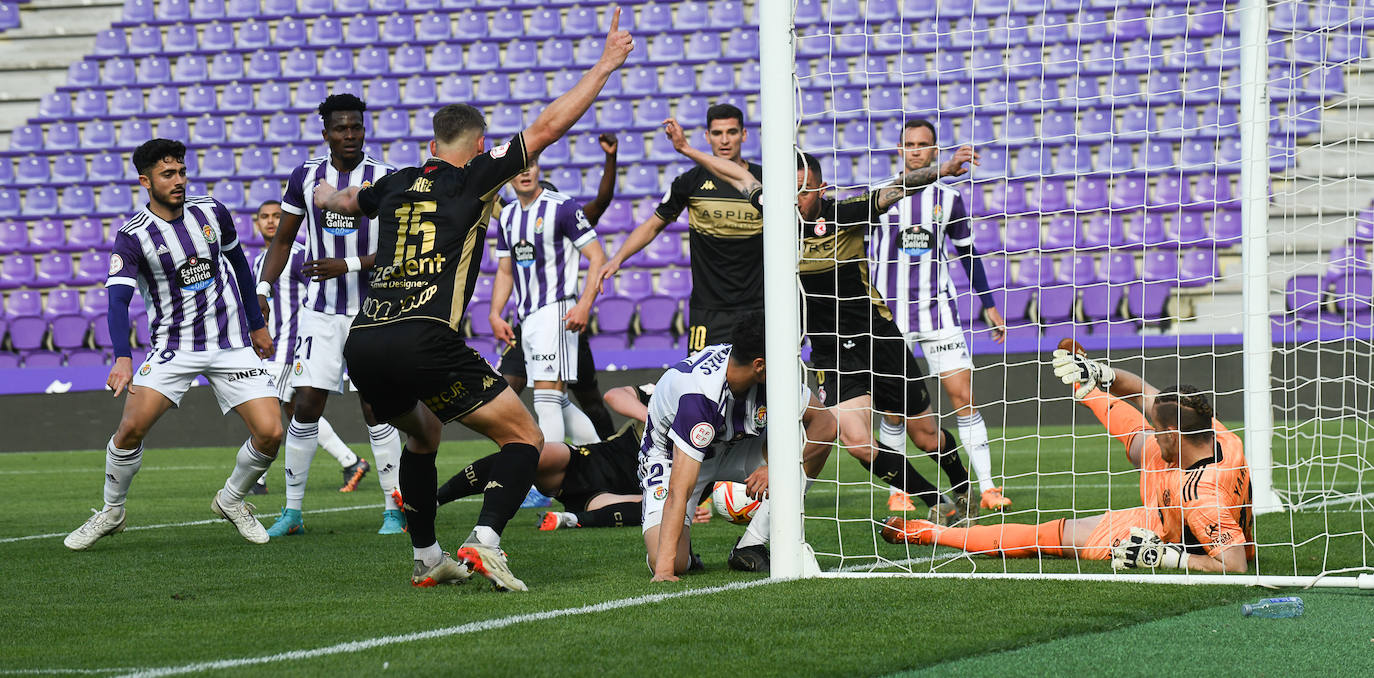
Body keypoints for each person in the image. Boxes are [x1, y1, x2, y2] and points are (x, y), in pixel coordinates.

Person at [312, 12, 634, 590]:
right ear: (480, 145)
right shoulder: (477, 176)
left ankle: (427, 555)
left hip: (365, 341)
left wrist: (320, 193)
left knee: (423, 436)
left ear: (430, 145)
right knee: (525, 438)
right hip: (425, 336)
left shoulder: (395, 182)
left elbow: (339, 200)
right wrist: (606, 64)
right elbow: (549, 125)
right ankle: (485, 540)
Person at [661, 119, 980, 526]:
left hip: (878, 338)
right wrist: (688, 151)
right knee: (857, 442)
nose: (793, 198)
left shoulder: (845, 214)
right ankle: (936, 500)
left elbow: (897, 187)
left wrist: (944, 170)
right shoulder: (777, 217)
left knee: (926, 436)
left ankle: (961, 484)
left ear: (820, 191)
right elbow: (741, 175)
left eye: (801, 190)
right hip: (831, 351)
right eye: (787, 190)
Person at [64, 139, 282, 550]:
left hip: (231, 342)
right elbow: (117, 300)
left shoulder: (212, 212)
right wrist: (123, 358)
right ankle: (112, 511)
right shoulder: (132, 236)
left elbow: (238, 265)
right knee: (130, 429)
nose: (178, 180)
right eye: (168, 174)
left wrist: (257, 324)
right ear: (146, 181)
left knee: (271, 433)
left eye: (181, 171)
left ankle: (232, 500)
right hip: (173, 347)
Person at [880, 339, 1254, 574]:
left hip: (1167, 533)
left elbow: (1235, 565)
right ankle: (1085, 383)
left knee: (1049, 537)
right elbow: (1142, 392)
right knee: (1140, 440)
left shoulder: (1204, 498)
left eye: (1161, 431)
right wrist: (1101, 373)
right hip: (1173, 500)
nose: (1156, 431)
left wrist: (1167, 558)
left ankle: (932, 533)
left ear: (1173, 434)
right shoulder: (1212, 429)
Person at [254, 94, 404, 537]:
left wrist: (350, 265)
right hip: (319, 313)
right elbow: (282, 240)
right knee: (305, 406)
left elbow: (398, 248)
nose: (350, 135)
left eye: (356, 126)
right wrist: (263, 289)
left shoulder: (384, 177)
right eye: (341, 128)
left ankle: (393, 510)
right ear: (326, 133)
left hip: (370, 310)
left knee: (376, 409)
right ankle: (293, 511)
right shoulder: (304, 176)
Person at [868, 119, 1010, 515]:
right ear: (899, 150)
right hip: (889, 316)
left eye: (923, 144)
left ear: (935, 151)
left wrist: (989, 303)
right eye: (909, 144)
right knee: (893, 408)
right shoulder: (879, 195)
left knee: (963, 398)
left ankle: (988, 487)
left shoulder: (949, 199)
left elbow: (967, 252)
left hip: (938, 312)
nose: (915, 150)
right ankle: (898, 492)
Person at [644, 312, 838, 581]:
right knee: (672, 562)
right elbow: (680, 488)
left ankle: (752, 543)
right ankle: (681, 556)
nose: (792, 364)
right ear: (760, 365)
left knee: (815, 441)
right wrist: (664, 572)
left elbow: (826, 424)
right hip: (673, 457)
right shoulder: (699, 396)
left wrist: (778, 468)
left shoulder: (767, 374)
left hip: (736, 445)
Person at [598, 103, 763, 353]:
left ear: (744, 135)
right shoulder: (691, 182)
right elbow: (652, 225)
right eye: (717, 133)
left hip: (759, 306)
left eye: (731, 132)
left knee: (765, 385)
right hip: (708, 309)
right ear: (707, 137)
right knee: (699, 386)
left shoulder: (764, 183)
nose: (725, 140)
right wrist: (617, 258)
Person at [496, 134, 621, 440]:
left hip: (559, 313)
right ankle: (600, 461)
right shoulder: (509, 216)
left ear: (540, 169)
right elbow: (505, 269)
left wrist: (584, 305)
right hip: (526, 319)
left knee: (551, 400)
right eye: (519, 167)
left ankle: (549, 482)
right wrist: (494, 313)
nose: (526, 171)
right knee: (555, 400)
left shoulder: (564, 209)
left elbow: (597, 254)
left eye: (532, 164)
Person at [250, 200, 371, 496]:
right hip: (273, 346)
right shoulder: (258, 261)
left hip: (291, 346)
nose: (270, 222)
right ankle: (350, 460)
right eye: (264, 217)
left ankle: (257, 478)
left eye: (277, 216)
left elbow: (320, 297)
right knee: (296, 411)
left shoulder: (301, 256)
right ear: (256, 224)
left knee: (263, 405)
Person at [435, 384, 657, 530]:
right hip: (588, 460)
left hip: (614, 494)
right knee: (527, 453)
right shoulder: (668, 393)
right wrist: (652, 420)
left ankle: (567, 519)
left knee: (657, 506)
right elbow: (614, 395)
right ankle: (434, 500)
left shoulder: (692, 438)